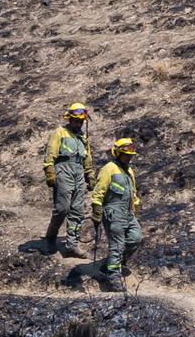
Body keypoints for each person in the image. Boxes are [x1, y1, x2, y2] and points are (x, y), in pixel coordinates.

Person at [43, 103, 95, 257]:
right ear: (70, 119)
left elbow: (87, 158)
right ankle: (50, 237)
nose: (78, 124)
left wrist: (90, 175)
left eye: (80, 121)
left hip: (78, 173)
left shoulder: (83, 138)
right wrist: (50, 171)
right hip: (63, 171)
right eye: (75, 120)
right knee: (62, 208)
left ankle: (72, 244)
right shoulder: (60, 133)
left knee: (77, 211)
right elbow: (50, 153)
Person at [91, 138, 141, 292]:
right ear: (118, 153)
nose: (129, 157)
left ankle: (111, 264)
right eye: (126, 154)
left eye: (131, 155)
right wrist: (97, 210)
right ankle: (113, 277)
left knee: (135, 238)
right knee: (117, 245)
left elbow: (133, 191)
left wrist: (135, 205)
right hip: (113, 213)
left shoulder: (129, 170)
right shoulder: (109, 169)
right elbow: (98, 192)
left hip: (127, 212)